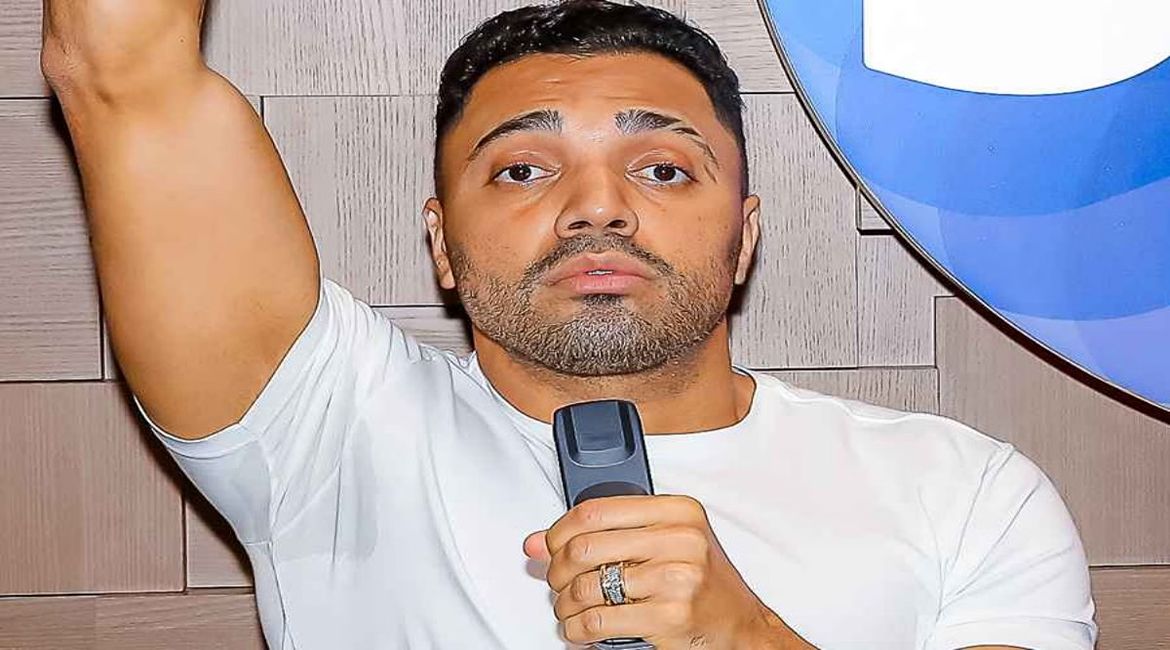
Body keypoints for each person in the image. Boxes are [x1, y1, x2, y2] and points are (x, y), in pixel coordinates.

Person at [40, 0, 1097, 648]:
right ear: (441, 241)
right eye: (522, 169)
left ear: (744, 237)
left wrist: (741, 638)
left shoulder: (964, 494)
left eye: (663, 168)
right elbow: (118, 63)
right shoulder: (321, 429)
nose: (598, 206)